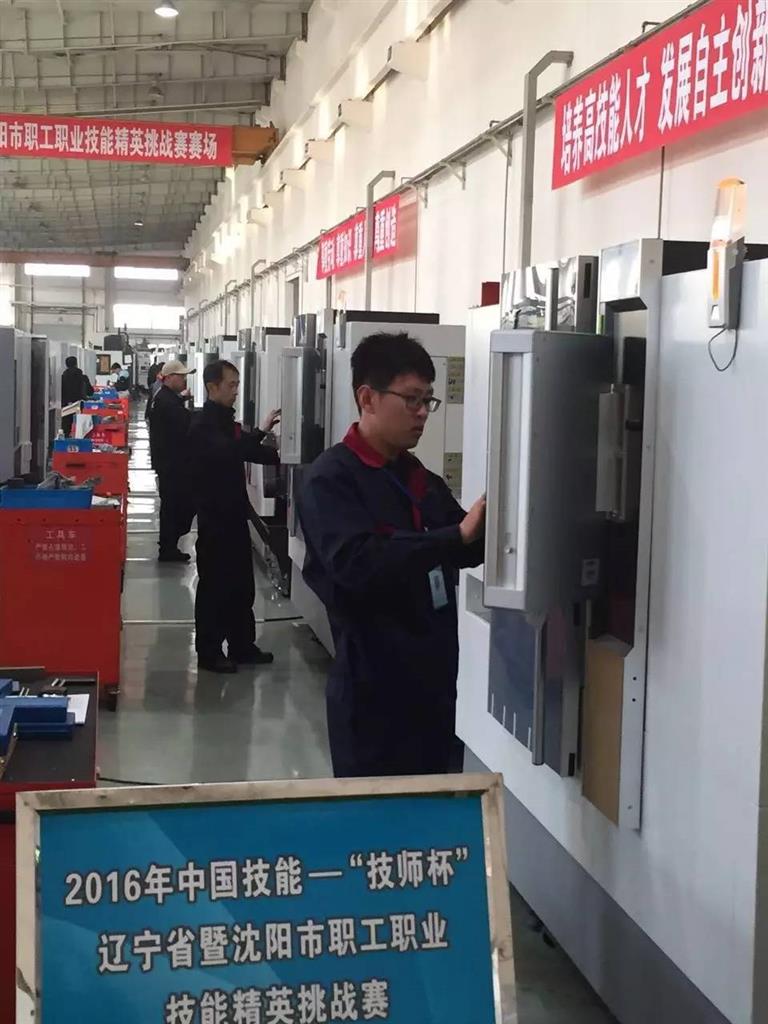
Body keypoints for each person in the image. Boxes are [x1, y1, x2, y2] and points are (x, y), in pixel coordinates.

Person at [297, 333, 486, 778]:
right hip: (373, 695)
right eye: (411, 399)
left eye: (428, 401)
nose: (422, 413)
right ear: (368, 398)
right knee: (378, 812)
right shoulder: (331, 479)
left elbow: (463, 546)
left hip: (434, 686)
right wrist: (451, 538)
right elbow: (356, 563)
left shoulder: (416, 476)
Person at [188, 359, 280, 674]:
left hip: (235, 516)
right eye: (231, 385)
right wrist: (263, 439)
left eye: (238, 384)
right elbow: (233, 450)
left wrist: (282, 450)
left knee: (241, 585)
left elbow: (243, 447)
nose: (236, 391)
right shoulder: (202, 426)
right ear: (212, 387)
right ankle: (209, 652)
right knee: (215, 587)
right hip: (215, 521)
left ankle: (242, 645)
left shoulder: (225, 422)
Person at [148, 360, 196, 563]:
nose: (184, 380)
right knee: (176, 506)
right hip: (172, 464)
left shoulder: (164, 397)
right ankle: (168, 548)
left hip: (168, 462)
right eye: (181, 376)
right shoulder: (167, 402)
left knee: (172, 506)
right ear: (168, 378)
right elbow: (186, 423)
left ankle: (169, 546)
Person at [60, 356, 92, 437]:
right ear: (76, 364)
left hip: (66, 406)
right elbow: (90, 392)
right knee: (79, 426)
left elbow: (60, 392)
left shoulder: (62, 378)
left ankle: (66, 440)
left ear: (66, 365)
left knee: (66, 426)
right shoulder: (83, 377)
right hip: (79, 405)